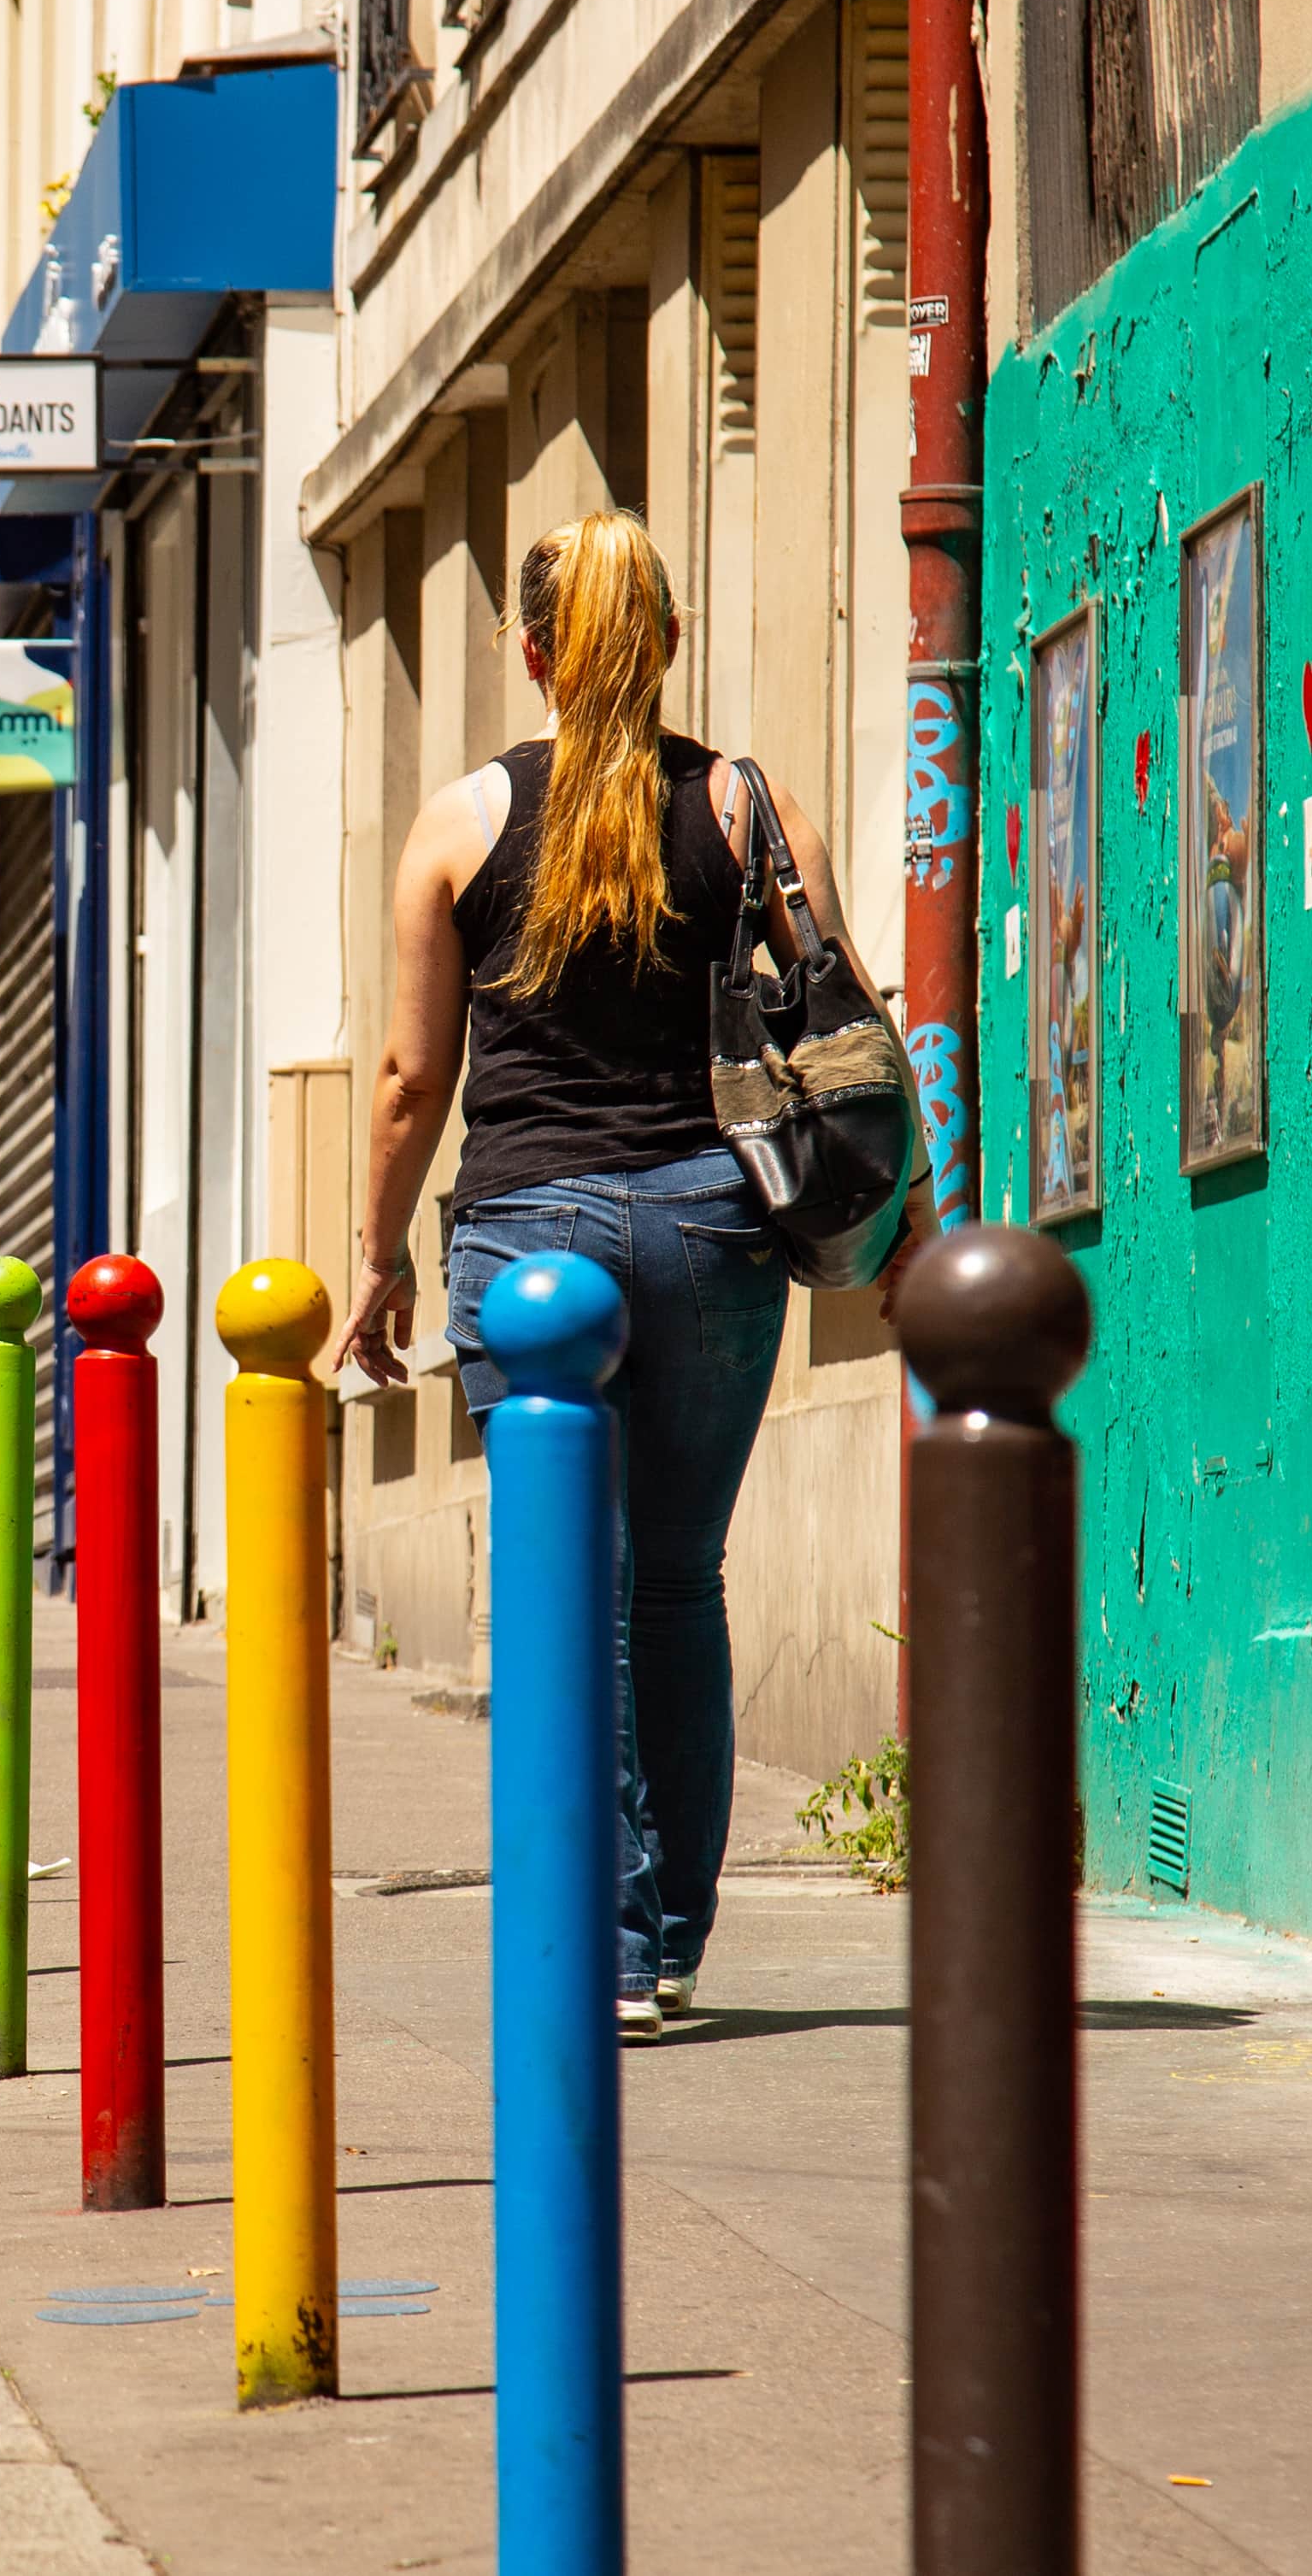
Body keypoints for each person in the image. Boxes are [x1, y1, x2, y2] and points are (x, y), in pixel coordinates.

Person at [334, 508, 866, 2043]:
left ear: (532, 652)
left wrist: (377, 1261)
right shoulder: (749, 802)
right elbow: (848, 1021)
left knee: (575, 1597)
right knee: (677, 1583)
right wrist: (904, 1223)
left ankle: (613, 1945)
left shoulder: (457, 824)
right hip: (712, 1227)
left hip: (527, 1246)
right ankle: (670, 1936)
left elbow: (405, 1079)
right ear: (674, 641)